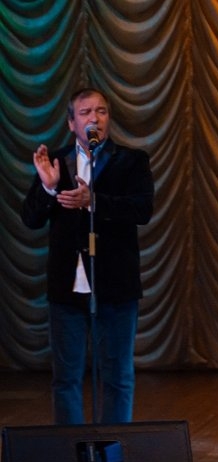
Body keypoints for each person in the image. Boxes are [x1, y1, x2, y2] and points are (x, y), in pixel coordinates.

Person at [21, 87, 154, 425]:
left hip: (115, 285)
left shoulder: (131, 161)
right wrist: (48, 187)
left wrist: (93, 202)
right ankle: (72, 451)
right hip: (67, 288)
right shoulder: (56, 162)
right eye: (85, 113)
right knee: (66, 378)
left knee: (117, 375)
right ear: (71, 123)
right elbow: (31, 219)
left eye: (101, 111)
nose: (94, 118)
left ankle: (112, 448)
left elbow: (142, 209)